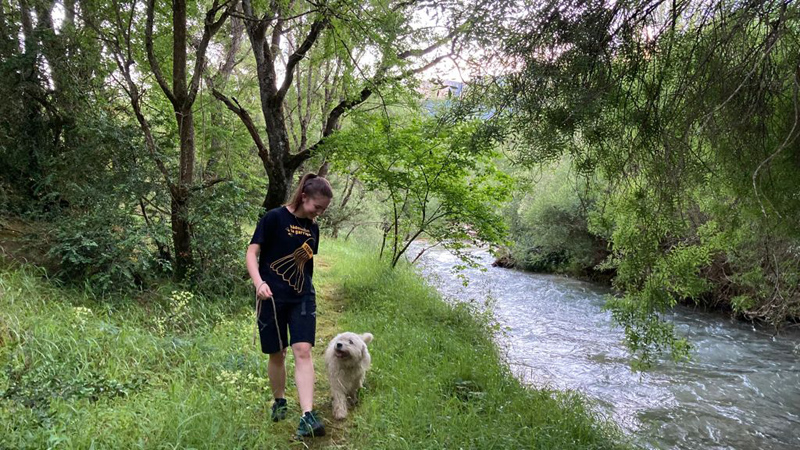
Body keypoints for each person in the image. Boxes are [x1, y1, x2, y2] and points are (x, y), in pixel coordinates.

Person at [245, 173, 333, 439]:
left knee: (303, 350)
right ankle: (280, 400)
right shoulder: (274, 218)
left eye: (323, 210)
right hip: (270, 297)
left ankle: (307, 415)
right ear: (304, 197)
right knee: (277, 353)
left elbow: (303, 265)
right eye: (317, 207)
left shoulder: (313, 228)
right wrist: (258, 283)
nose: (319, 213)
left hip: (303, 296)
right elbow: (252, 253)